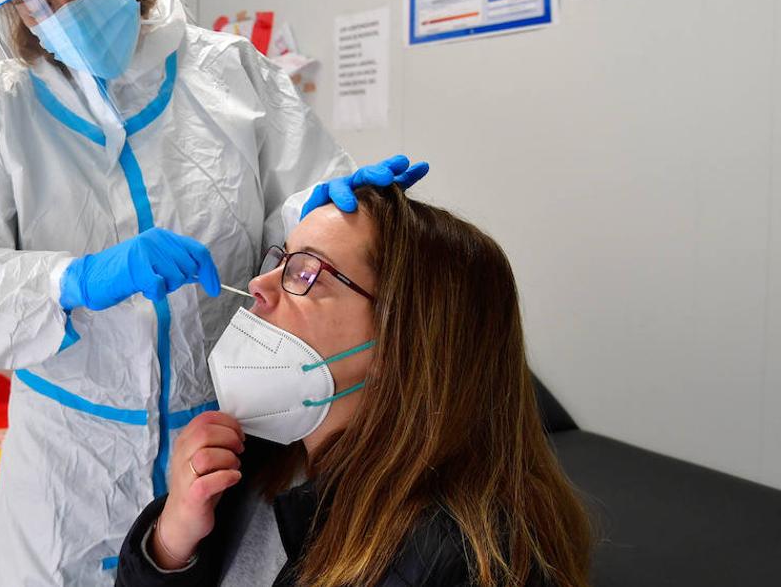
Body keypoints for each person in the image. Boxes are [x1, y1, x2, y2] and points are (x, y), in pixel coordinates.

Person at [0, 0, 427, 586]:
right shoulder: (1, 113)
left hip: (225, 446)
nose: (68, 13)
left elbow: (303, 240)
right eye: (39, 6)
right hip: (67, 468)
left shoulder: (232, 76)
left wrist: (328, 215)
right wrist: (74, 281)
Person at [116, 184, 593, 586]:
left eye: (306, 272)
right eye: (281, 259)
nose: (260, 284)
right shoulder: (261, 456)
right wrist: (172, 541)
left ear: (402, 336)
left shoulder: (456, 559)